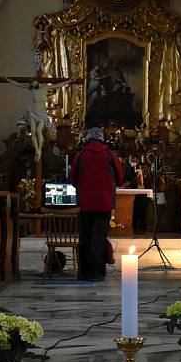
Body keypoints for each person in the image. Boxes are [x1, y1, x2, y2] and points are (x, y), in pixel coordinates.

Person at [69, 116, 124, 281]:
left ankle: (84, 272)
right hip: (104, 203)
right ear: (102, 138)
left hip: (85, 203)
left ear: (87, 138)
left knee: (84, 236)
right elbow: (120, 178)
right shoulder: (109, 154)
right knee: (99, 236)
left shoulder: (81, 155)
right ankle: (97, 272)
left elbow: (72, 179)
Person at [0, 75, 77, 162]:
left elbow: (58, 85)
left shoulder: (45, 87)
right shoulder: (31, 88)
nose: (33, 84)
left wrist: (69, 81)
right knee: (33, 132)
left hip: (41, 113)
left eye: (34, 82)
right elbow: (18, 84)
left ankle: (39, 149)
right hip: (33, 111)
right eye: (31, 83)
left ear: (37, 81)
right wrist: (7, 80)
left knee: (38, 131)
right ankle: (37, 150)